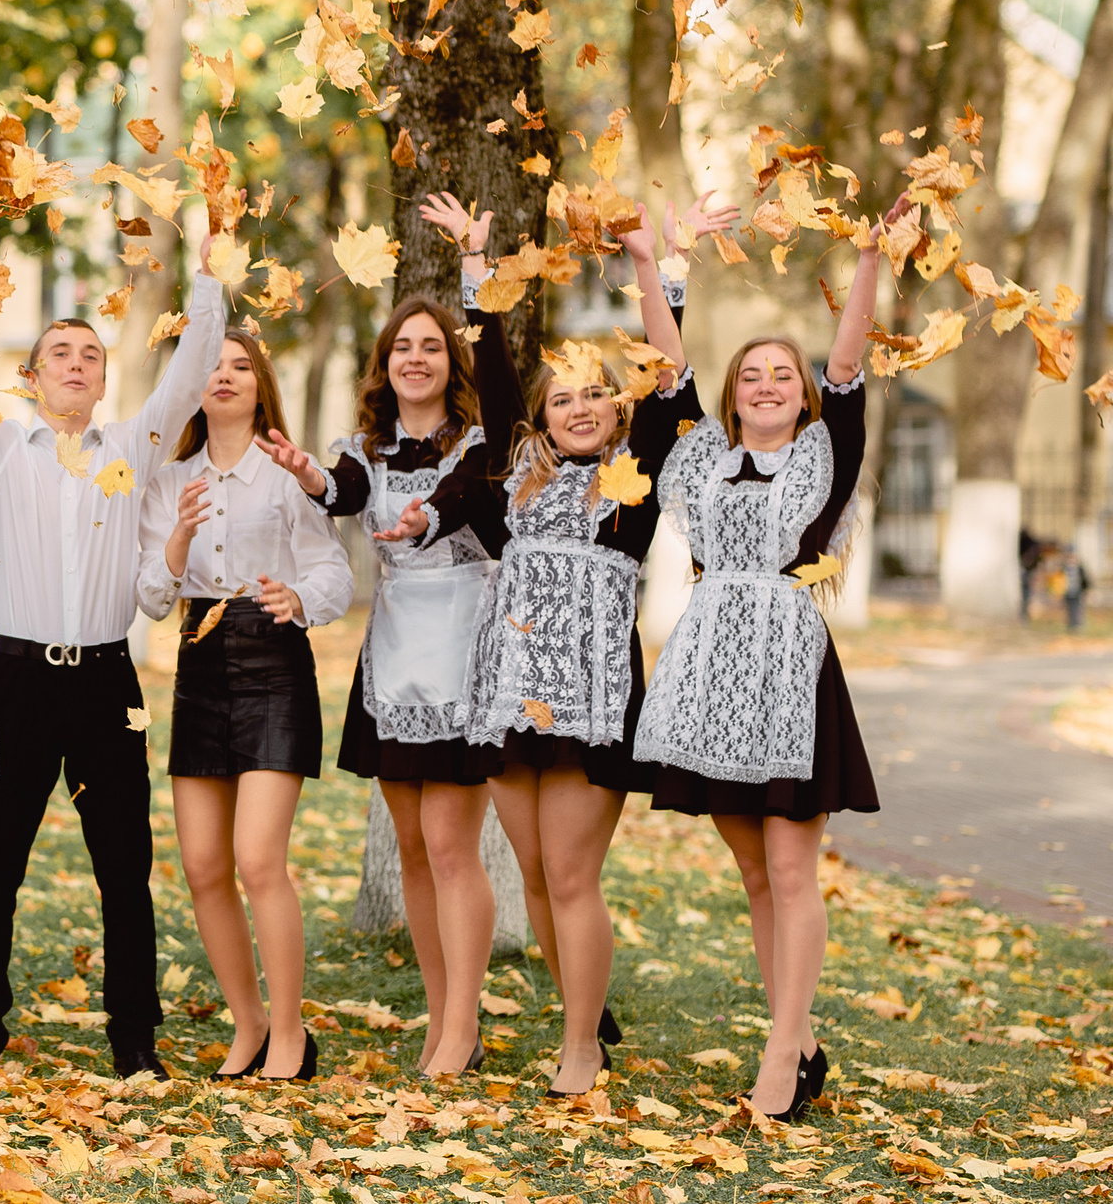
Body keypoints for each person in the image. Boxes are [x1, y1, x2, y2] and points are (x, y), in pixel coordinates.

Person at [400, 191, 725, 1097]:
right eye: (562, 399)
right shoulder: (514, 471)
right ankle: (593, 1013)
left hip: (591, 703)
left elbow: (669, 375)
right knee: (538, 878)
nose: (579, 408)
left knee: (574, 876)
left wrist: (660, 269)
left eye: (595, 396)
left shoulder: (635, 478)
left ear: (617, 416)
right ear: (539, 417)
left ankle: (580, 1045)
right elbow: (493, 365)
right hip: (509, 696)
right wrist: (477, 263)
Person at [0, 216, 226, 1082]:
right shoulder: (1, 447)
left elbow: (190, 377)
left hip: (106, 680)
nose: (76, 364)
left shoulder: (134, 444)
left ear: (104, 375)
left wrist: (207, 279)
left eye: (90, 354)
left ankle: (135, 1039)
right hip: (17, 681)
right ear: (33, 374)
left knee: (125, 871)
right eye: (59, 353)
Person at [634, 196, 907, 1120]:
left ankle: (781, 1055)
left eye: (780, 372)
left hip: (791, 673)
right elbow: (668, 371)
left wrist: (867, 259)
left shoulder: (827, 451)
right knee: (754, 873)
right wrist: (655, 262)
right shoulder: (700, 456)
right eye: (750, 372)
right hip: (712, 673)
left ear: (802, 389)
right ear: (734, 391)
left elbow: (849, 354)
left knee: (793, 871)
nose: (764, 382)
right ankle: (805, 1038)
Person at [261, 275, 500, 1079]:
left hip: (465, 644)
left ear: (451, 361)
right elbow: (345, 489)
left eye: (432, 346)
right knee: (410, 845)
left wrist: (425, 516)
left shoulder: (477, 441)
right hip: (395, 651)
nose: (416, 357)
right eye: (403, 346)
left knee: (450, 842)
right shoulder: (367, 444)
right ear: (384, 362)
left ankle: (463, 1022)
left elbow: (465, 501)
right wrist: (306, 473)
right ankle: (441, 1019)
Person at [138, 330, 350, 1080]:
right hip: (198, 656)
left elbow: (333, 571)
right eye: (211, 364)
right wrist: (177, 539)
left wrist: (301, 596)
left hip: (273, 659)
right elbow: (153, 599)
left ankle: (290, 1032)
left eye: (240, 365)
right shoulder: (167, 482)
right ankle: (249, 1023)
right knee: (201, 866)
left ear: (262, 383)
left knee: (259, 859)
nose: (224, 375)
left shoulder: (287, 471)